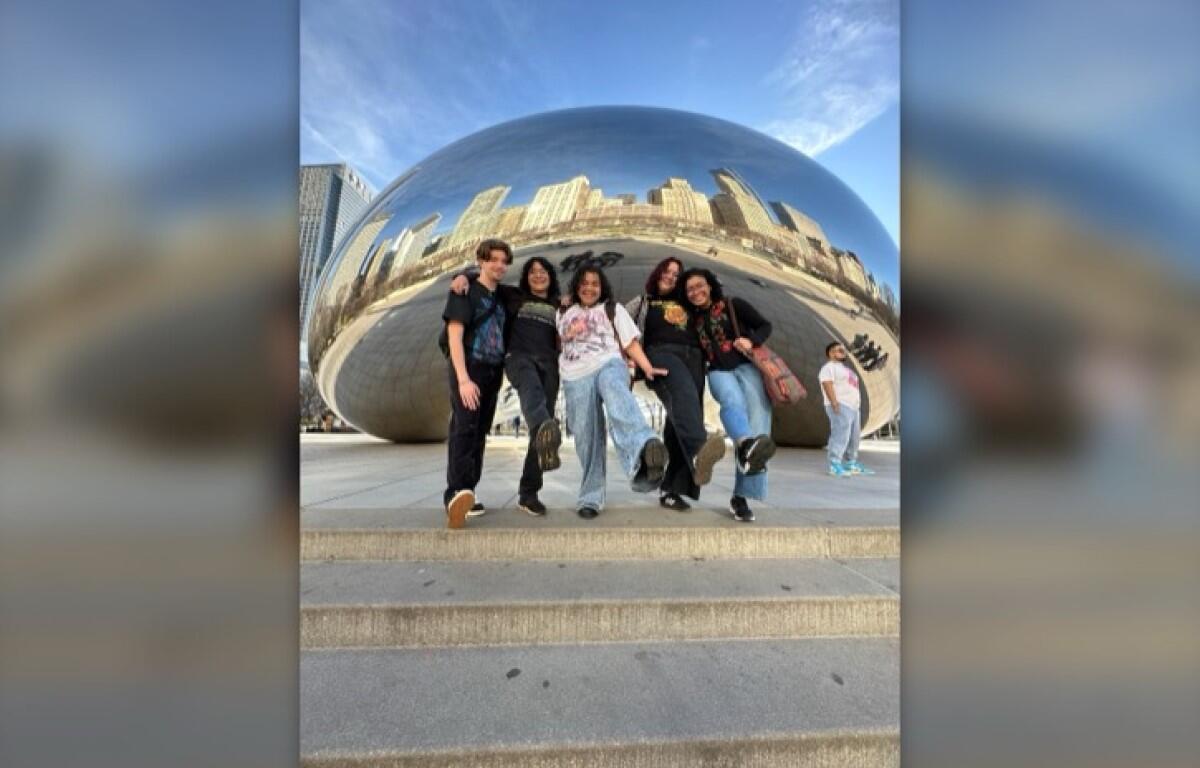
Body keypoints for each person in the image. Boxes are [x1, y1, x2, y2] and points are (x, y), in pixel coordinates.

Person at [451, 256, 564, 516]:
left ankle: (528, 493)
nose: (538, 275)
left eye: (543, 271)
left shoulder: (559, 304)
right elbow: (486, 278)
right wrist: (463, 276)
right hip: (518, 358)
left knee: (541, 426)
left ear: (550, 276)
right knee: (536, 405)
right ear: (526, 276)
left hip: (550, 364)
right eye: (533, 271)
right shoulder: (512, 295)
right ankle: (545, 429)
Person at [557, 263, 669, 519]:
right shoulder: (562, 310)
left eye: (594, 284)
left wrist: (647, 368)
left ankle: (645, 445)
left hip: (609, 363)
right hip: (575, 376)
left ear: (601, 287)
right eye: (584, 283)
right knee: (587, 438)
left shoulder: (613, 309)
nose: (589, 288)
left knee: (616, 393)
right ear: (576, 286)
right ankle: (591, 497)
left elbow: (629, 343)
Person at [625, 257, 725, 511]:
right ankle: (699, 449)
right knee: (683, 399)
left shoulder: (687, 303)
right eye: (667, 271)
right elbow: (617, 323)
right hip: (661, 354)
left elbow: (713, 309)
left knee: (681, 417)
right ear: (657, 273)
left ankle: (672, 490)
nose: (671, 276)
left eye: (676, 273)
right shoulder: (643, 302)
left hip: (694, 358)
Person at [681, 268, 776, 522]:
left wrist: (751, 340)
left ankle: (741, 497)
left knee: (759, 422)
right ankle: (744, 444)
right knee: (731, 403)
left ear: (710, 285)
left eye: (700, 285)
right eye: (690, 289)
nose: (696, 292)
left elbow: (765, 325)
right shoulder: (691, 318)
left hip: (747, 366)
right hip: (717, 370)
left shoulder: (733, 305)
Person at [441, 239, 513, 529]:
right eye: (492, 259)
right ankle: (454, 492)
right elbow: (454, 337)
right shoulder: (463, 292)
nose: (498, 265)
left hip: (493, 371)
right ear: (481, 261)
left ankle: (469, 492)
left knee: (480, 431)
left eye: (503, 261)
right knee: (464, 428)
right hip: (469, 367)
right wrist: (463, 379)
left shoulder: (502, 295)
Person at [819, 341, 875, 477]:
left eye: (843, 350)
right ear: (831, 353)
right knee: (840, 435)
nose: (843, 352)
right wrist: (834, 402)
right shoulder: (829, 367)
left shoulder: (846, 369)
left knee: (854, 437)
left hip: (853, 407)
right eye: (839, 350)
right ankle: (834, 464)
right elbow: (827, 383)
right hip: (840, 404)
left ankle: (851, 463)